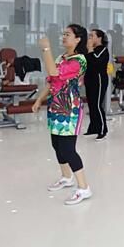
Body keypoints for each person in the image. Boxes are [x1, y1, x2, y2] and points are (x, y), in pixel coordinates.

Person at [31, 24, 92, 205]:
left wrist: (46, 49)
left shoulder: (80, 60)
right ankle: (66, 177)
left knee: (67, 149)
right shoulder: (61, 57)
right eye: (63, 34)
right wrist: (39, 100)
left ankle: (84, 188)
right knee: (56, 145)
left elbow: (54, 72)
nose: (64, 37)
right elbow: (51, 81)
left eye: (68, 34)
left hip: (69, 108)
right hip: (55, 106)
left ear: (78, 39)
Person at [83, 29, 109, 140]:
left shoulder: (102, 49)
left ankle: (103, 129)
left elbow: (95, 61)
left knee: (97, 104)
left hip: (99, 80)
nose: (89, 38)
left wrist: (89, 49)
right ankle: (93, 127)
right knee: (91, 104)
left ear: (99, 38)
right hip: (89, 79)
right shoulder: (90, 50)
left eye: (92, 36)